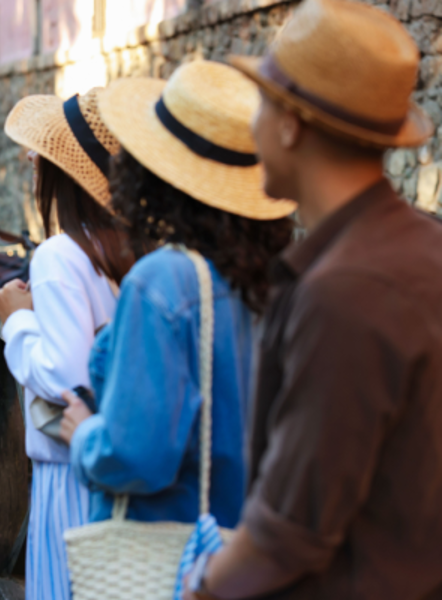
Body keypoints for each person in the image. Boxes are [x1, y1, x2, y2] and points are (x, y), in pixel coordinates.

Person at [182, 1, 442, 598]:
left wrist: (203, 586)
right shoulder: (419, 245)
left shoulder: (346, 290)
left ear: (292, 124)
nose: (253, 126)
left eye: (262, 104)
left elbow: (289, 530)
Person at [59, 61, 296, 530]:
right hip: (250, 540)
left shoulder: (164, 282)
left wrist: (84, 435)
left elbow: (137, 457)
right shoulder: (278, 279)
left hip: (175, 548)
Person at [0, 88, 134, 600]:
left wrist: (16, 322)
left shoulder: (60, 255)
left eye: (39, 158)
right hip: (112, 450)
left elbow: (62, 377)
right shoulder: (125, 249)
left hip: (66, 459)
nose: (31, 166)